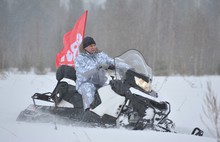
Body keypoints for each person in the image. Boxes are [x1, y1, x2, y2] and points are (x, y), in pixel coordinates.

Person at [75, 36, 115, 111]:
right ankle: (89, 111)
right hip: (84, 83)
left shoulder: (101, 55)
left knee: (111, 89)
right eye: (90, 46)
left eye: (94, 45)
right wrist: (98, 67)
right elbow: (84, 73)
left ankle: (112, 111)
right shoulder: (80, 59)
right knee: (88, 87)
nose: (93, 47)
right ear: (85, 47)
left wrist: (125, 66)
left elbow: (111, 61)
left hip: (100, 83)